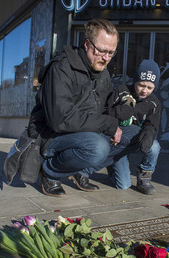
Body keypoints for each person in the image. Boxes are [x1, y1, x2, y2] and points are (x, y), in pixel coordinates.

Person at [28, 18, 140, 197]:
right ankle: (50, 171)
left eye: (111, 53)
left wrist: (122, 105)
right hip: (51, 137)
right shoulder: (61, 68)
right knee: (98, 147)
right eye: (102, 51)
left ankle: (81, 170)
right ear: (87, 44)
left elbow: (105, 110)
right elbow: (60, 120)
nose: (106, 58)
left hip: (86, 133)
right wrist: (107, 124)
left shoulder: (102, 73)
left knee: (136, 134)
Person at [106, 59, 162, 194]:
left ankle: (144, 177)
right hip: (116, 140)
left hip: (134, 140)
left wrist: (148, 136)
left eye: (150, 87)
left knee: (154, 146)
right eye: (141, 85)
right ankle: (112, 166)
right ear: (135, 81)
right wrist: (113, 127)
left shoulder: (154, 103)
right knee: (123, 185)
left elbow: (152, 124)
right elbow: (107, 111)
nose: (144, 90)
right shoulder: (122, 91)